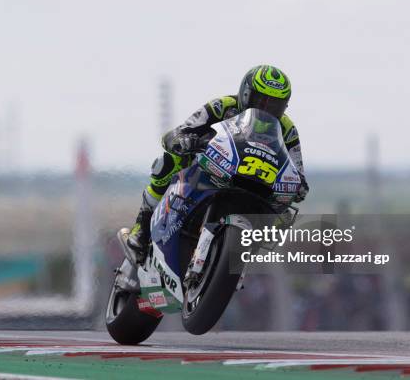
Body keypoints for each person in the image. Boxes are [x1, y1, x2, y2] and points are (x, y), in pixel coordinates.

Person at [125, 65, 309, 263]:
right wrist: (183, 140)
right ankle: (142, 227)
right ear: (245, 94)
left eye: (274, 105)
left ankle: (234, 264)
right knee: (168, 161)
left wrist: (298, 187)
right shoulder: (222, 106)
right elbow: (179, 132)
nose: (265, 109)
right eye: (260, 101)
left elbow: (298, 172)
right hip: (213, 170)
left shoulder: (288, 130)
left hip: (253, 186)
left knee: (283, 213)